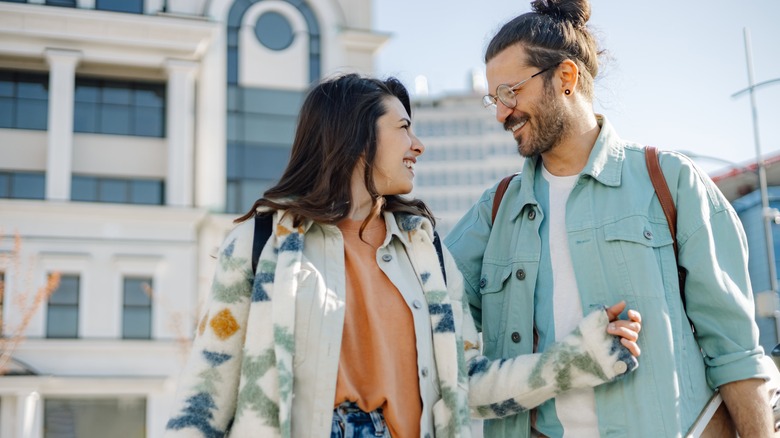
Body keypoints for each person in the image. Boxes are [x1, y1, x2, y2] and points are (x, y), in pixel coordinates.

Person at [164, 73, 642, 438]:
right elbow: (203, 397)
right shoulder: (263, 242)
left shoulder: (425, 251)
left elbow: (468, 381)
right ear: (355, 137)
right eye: (404, 127)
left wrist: (579, 357)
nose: (419, 144)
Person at [444, 0, 776, 437]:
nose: (502, 113)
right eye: (495, 99)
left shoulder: (672, 182)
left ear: (565, 78)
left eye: (511, 92)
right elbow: (429, 329)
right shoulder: (493, 212)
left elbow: (735, 352)